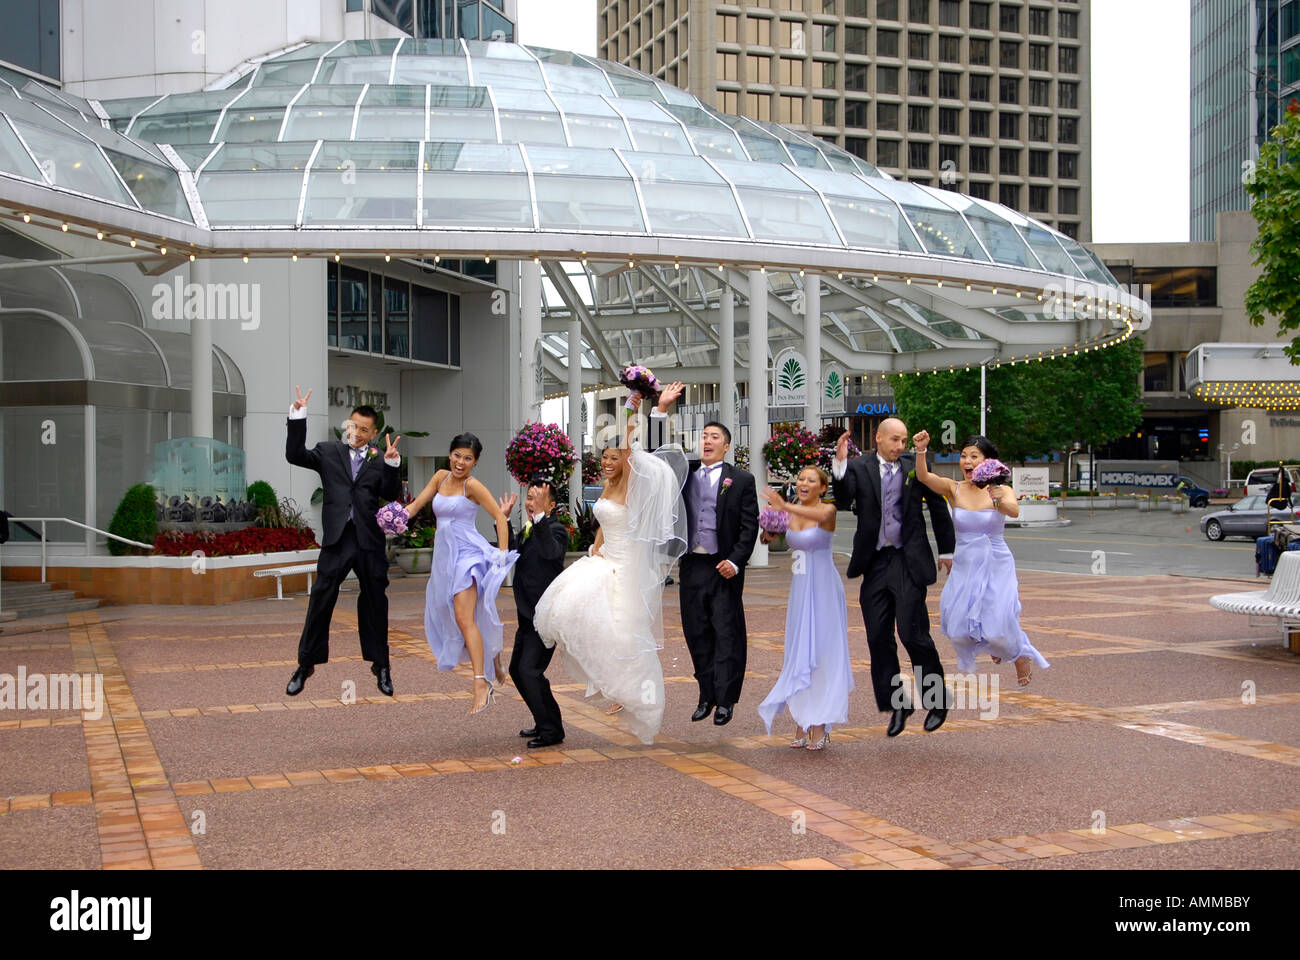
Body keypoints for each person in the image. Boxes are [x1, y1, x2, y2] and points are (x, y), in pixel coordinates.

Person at [533, 394, 687, 745]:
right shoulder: (607, 486)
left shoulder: (633, 482)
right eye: (603, 456)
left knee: (624, 631)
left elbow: (630, 445)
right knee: (576, 614)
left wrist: (635, 405)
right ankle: (608, 680)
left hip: (628, 564)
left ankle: (634, 692)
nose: (606, 462)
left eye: (613, 457)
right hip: (605, 557)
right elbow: (603, 517)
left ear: (624, 461)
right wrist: (596, 547)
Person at [832, 418, 955, 737]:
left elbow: (939, 508)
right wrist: (840, 464)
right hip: (874, 563)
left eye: (903, 441)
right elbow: (844, 499)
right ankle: (898, 704)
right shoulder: (859, 466)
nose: (900, 446)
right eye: (895, 440)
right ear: (879, 439)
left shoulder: (916, 466)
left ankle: (937, 700)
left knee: (913, 634)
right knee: (877, 638)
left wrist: (947, 550)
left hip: (907, 561)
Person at [649, 387, 759, 726]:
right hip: (692, 567)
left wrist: (737, 560)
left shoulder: (741, 480)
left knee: (727, 634)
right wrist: (660, 411)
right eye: (704, 437)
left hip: (723, 568)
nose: (707, 442)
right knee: (696, 632)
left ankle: (726, 700)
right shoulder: (686, 473)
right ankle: (706, 694)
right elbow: (656, 458)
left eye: (714, 437)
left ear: (727, 446)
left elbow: (749, 527)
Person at [283, 386, 401, 698]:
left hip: (369, 540)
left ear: (374, 432)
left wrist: (391, 464)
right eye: (353, 426)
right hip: (338, 538)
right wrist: (298, 416)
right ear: (346, 425)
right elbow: (295, 454)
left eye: (365, 429)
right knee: (321, 596)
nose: (358, 433)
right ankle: (305, 664)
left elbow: (390, 495)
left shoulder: (379, 458)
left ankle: (381, 664)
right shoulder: (327, 451)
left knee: (376, 600)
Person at [912, 432, 1050, 686]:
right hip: (966, 563)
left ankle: (1019, 655)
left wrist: (999, 500)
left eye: (974, 456)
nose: (967, 461)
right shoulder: (954, 488)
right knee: (959, 630)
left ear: (988, 462)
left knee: (998, 628)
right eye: (964, 456)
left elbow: (1015, 511)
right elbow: (924, 477)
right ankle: (995, 646)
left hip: (996, 562)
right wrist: (921, 451)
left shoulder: (1001, 489)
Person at [406, 433, 518, 715]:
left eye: (468, 458)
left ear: (475, 462)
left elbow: (500, 518)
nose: (460, 462)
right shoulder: (440, 478)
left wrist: (502, 555)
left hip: (468, 555)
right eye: (457, 455)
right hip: (445, 558)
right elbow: (415, 506)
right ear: (450, 454)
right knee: (453, 614)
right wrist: (392, 517)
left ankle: (480, 682)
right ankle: (494, 660)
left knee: (463, 617)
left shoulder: (473, 486)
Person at [756, 466, 853, 750]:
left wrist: (783, 505)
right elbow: (767, 539)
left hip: (822, 588)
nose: (803, 483)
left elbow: (822, 518)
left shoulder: (828, 511)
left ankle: (820, 722)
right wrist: (769, 527)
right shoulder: (789, 512)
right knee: (799, 651)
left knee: (822, 652)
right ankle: (802, 718)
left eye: (811, 480)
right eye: (800, 479)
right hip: (800, 589)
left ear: (823, 488)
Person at [500, 475, 569, 748]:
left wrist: (539, 518)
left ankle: (552, 731)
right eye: (529, 497)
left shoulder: (555, 530)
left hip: (544, 617)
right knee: (518, 670)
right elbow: (512, 554)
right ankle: (545, 723)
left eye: (539, 499)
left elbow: (551, 553)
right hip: (527, 616)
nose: (532, 503)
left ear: (551, 506)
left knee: (529, 671)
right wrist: (503, 521)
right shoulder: (528, 528)